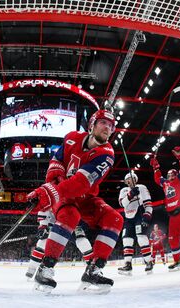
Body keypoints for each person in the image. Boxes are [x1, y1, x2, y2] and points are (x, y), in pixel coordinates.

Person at [27, 109, 123, 294]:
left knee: (115, 219)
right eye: (104, 123)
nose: (108, 128)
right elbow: (56, 163)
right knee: (70, 215)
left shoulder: (107, 154)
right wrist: (52, 185)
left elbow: (80, 184)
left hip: (85, 196)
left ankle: (93, 270)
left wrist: (50, 191)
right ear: (92, 124)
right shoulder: (71, 137)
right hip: (64, 194)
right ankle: (45, 269)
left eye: (111, 126)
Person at [25, 210, 93, 279]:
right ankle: (32, 268)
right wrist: (43, 226)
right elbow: (45, 207)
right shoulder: (51, 201)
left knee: (83, 242)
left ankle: (93, 269)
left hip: (72, 220)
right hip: (55, 221)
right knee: (43, 242)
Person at [117, 171, 154, 275]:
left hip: (139, 214)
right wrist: (131, 194)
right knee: (126, 240)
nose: (129, 180)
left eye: (131, 178)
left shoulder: (141, 187)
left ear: (135, 179)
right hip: (128, 218)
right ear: (125, 181)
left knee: (141, 238)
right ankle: (127, 264)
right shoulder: (124, 190)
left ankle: (149, 262)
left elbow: (148, 204)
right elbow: (122, 204)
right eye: (127, 179)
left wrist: (147, 215)